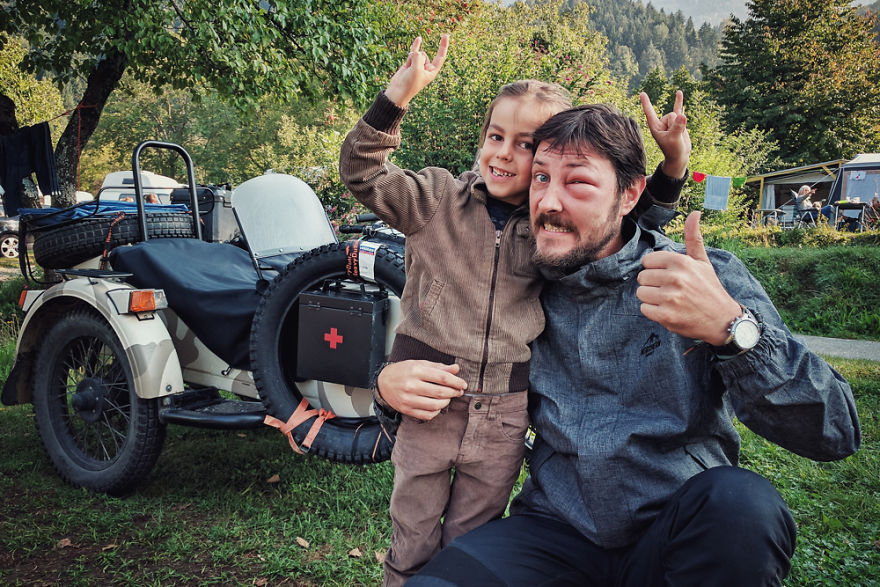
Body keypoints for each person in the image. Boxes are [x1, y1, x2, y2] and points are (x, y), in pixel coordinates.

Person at [396, 104, 860, 585]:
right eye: (540, 178)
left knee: (743, 506)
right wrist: (388, 379)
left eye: (577, 182)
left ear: (629, 193)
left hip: (675, 527)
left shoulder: (696, 279)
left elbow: (834, 431)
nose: (549, 201)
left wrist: (732, 328)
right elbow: (445, 344)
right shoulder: (520, 283)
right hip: (554, 532)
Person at [339, 36, 691, 586]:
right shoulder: (435, 199)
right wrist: (397, 97)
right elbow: (362, 173)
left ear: (550, 158)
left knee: (472, 539)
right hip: (430, 399)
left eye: (525, 144)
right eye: (495, 136)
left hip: (504, 413)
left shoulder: (552, 230)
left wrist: (672, 164)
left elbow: (631, 220)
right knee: (412, 530)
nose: (503, 153)